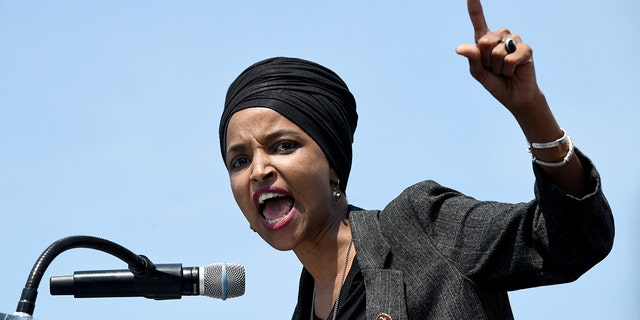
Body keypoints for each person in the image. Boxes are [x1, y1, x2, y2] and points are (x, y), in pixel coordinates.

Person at [217, 0, 615, 319]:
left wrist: (531, 111)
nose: (259, 170)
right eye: (239, 161)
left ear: (333, 166)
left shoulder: (420, 229)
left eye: (283, 145)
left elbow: (574, 240)